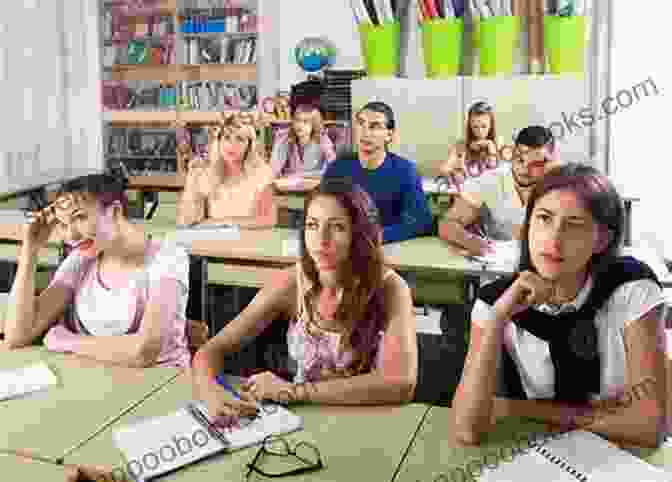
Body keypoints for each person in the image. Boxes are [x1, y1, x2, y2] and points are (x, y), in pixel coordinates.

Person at [452, 163, 667, 448]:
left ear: (602, 239)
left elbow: (650, 426)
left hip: (624, 458)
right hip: (539, 454)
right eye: (544, 218)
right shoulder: (497, 301)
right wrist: (498, 319)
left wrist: (515, 408)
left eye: (574, 225)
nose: (554, 239)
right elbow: (467, 429)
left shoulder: (631, 289)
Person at [191, 178, 418, 423]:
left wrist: (295, 392)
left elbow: (401, 382)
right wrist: (210, 392)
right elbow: (211, 350)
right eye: (312, 225)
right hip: (305, 418)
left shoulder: (390, 288)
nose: (321, 240)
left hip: (371, 420)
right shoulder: (292, 282)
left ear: (359, 233)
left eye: (337, 227)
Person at [1, 171, 191, 368]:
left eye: (80, 217)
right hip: (101, 379)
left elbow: (143, 351)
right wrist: (30, 250)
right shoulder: (80, 260)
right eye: (63, 225)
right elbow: (17, 336)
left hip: (164, 382)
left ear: (115, 212)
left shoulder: (168, 257)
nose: (71, 235)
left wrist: (66, 341)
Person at [322, 101, 433, 244]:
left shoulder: (405, 171)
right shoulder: (337, 169)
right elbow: (321, 211)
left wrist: (376, 236)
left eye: (374, 127)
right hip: (343, 247)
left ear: (389, 135)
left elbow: (422, 222)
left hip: (386, 248)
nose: (365, 132)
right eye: (361, 124)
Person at [438, 125, 559, 256]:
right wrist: (471, 241)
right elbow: (447, 224)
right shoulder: (490, 180)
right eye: (520, 159)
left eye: (535, 164)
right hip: (497, 265)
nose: (524, 169)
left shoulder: (560, 187)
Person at [177, 114, 277, 228]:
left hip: (250, 242)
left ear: (249, 145)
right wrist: (192, 179)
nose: (231, 145)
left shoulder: (262, 172)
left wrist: (222, 223)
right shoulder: (208, 173)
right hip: (213, 242)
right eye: (227, 137)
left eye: (240, 139)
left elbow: (268, 219)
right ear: (219, 141)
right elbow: (186, 222)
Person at [439, 101, 503, 185]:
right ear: (470, 126)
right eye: (475, 127)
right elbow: (444, 168)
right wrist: (454, 172)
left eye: (484, 126)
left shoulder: (498, 145)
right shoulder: (461, 145)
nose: (480, 131)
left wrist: (490, 145)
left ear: (491, 125)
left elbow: (493, 167)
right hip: (466, 193)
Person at [270, 104, 336, 178]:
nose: (299, 125)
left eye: (305, 122)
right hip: (290, 184)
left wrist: (302, 175)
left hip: (315, 184)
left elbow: (333, 168)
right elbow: (274, 168)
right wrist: (279, 141)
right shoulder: (286, 138)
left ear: (314, 124)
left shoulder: (323, 140)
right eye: (297, 120)